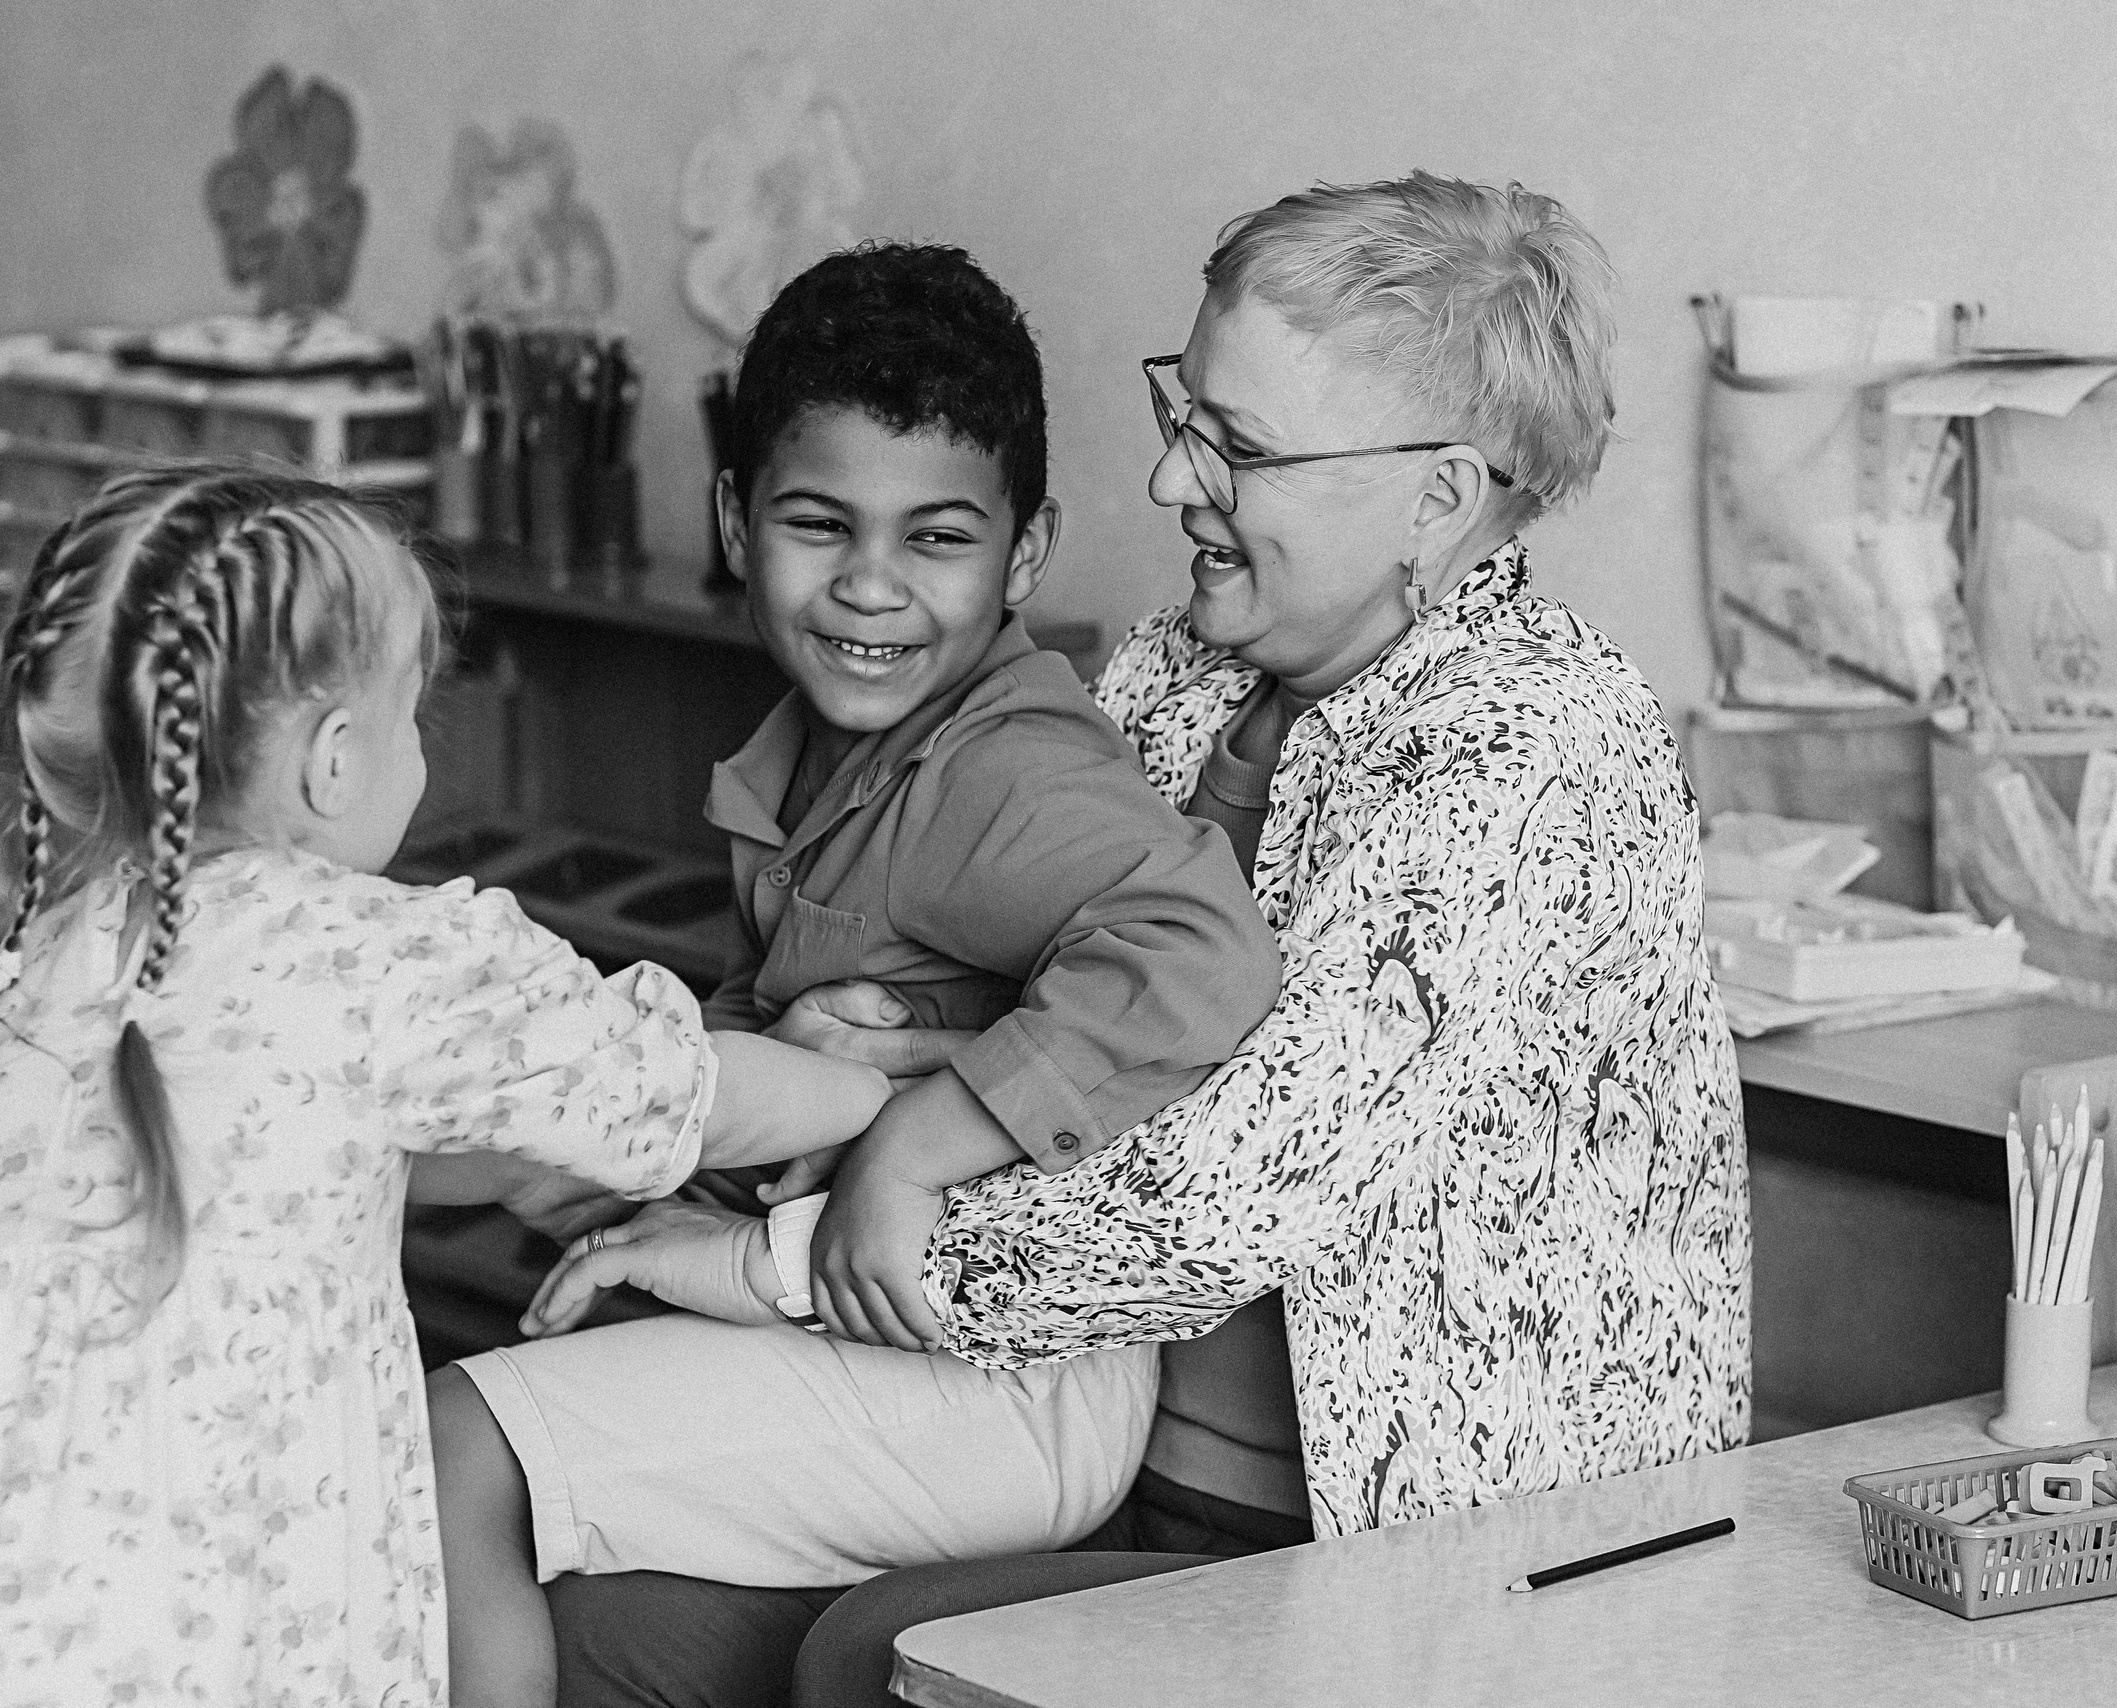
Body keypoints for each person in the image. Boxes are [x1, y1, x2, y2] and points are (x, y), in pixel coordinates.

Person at [538, 171, 1752, 1708]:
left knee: (862, 1661)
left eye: (1235, 448)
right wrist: (900, 1050)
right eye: (1187, 412)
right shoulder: (1178, 672)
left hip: (1427, 1564)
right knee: (610, 1614)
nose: (1175, 483)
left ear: (1438, 499)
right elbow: (1084, 1032)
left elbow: (1214, 1194)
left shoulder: (1529, 755)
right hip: (1097, 1446)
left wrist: (769, 1254)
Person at [427, 242, 1282, 1708]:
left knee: (458, 1451)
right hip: (900, 1335)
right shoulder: (829, 763)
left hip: (1006, 1387)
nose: (870, 587)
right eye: (820, 525)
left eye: (937, 540)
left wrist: (910, 1145)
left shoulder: (998, 770)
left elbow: (1204, 954)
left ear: (1024, 555)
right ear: (735, 523)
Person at [0, 467, 903, 1706]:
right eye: (414, 713)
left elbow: (294, 1150)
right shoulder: (380, 958)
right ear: (333, 760)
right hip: (254, 1577)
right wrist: (864, 1088)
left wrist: (525, 1162)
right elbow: (679, 1091)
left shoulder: (45, 948)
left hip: (50, 1576)